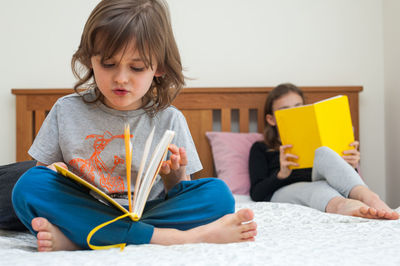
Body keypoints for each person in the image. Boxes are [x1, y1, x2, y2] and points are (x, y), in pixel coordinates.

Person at [12, 0, 257, 252]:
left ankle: (81, 239)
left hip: (149, 211)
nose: (120, 78)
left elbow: (180, 190)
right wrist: (55, 170)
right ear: (90, 60)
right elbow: (44, 176)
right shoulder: (66, 110)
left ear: (159, 67)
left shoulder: (170, 118)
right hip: (87, 209)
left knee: (218, 194)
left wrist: (173, 176)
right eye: (108, 64)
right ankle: (173, 237)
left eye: (136, 67)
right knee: (28, 186)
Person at [249, 83, 399, 220]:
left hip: (324, 182)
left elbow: (340, 178)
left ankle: (370, 198)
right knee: (318, 188)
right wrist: (281, 175)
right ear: (271, 119)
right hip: (284, 190)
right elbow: (256, 193)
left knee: (323, 151)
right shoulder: (261, 148)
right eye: (285, 110)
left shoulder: (319, 138)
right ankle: (342, 205)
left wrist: (350, 165)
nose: (293, 113)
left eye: (298, 107)